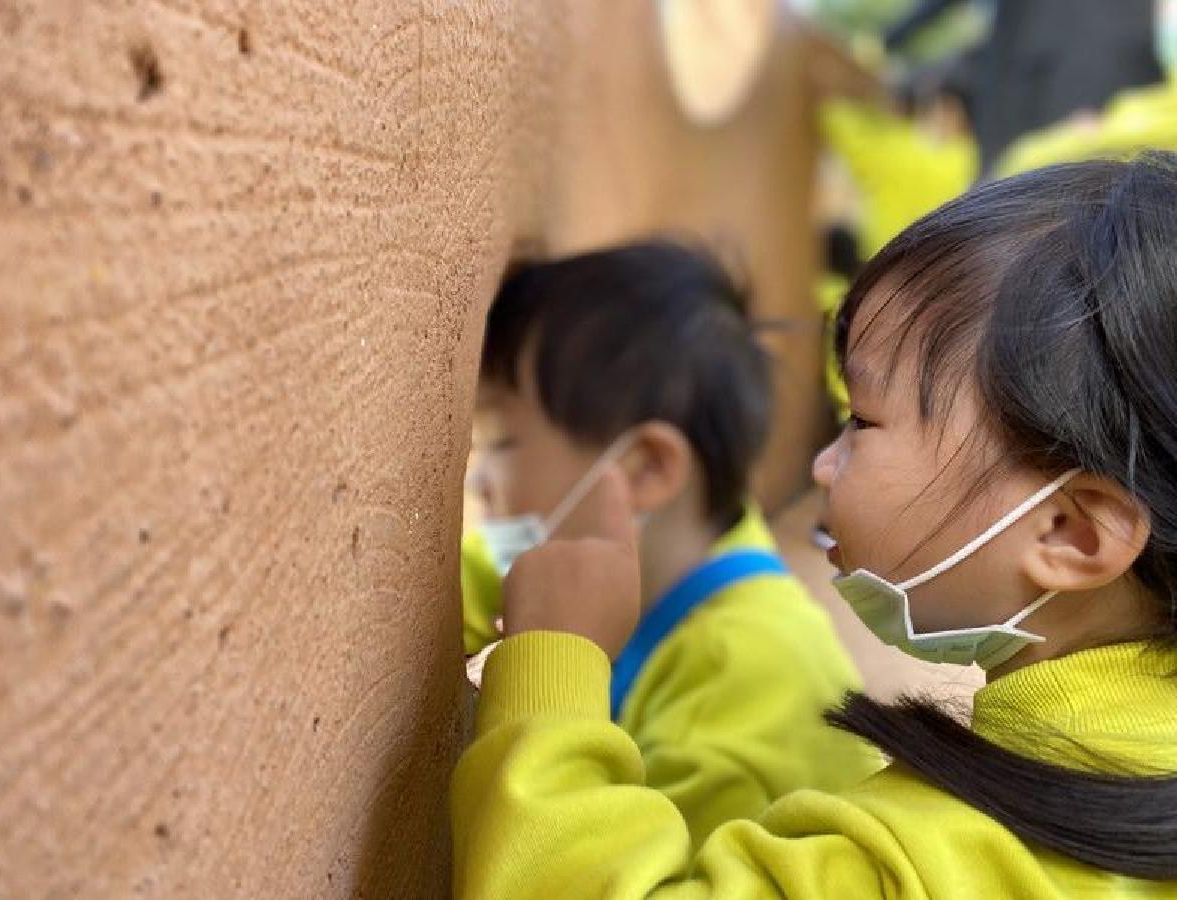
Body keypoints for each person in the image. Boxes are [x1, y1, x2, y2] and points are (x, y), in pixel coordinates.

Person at [452, 157, 1177, 897]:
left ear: (1070, 534)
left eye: (863, 420)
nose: (826, 464)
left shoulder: (912, 864)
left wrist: (549, 674)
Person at [460, 239, 881, 852]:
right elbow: (482, 579)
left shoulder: (740, 679)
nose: (479, 480)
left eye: (503, 444)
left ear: (644, 470)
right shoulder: (690, 550)